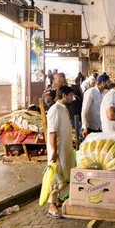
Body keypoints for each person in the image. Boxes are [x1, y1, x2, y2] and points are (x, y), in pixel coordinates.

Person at [46, 85, 75, 218]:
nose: (72, 98)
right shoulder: (55, 109)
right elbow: (52, 132)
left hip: (65, 147)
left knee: (63, 174)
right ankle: (51, 205)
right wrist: (54, 151)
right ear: (63, 95)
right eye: (70, 95)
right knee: (55, 176)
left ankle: (57, 200)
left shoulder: (63, 108)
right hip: (58, 149)